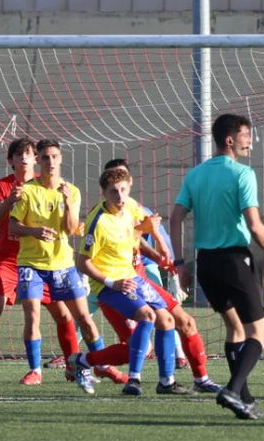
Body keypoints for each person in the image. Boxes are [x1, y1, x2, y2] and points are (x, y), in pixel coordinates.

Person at [169, 113, 264, 421]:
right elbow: (254, 225)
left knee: (235, 329)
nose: (250, 141)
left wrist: (180, 263)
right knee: (259, 335)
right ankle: (233, 390)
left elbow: (175, 217)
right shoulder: (242, 174)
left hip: (206, 264)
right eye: (247, 135)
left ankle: (244, 400)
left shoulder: (195, 174)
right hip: (234, 260)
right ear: (230, 140)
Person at [81, 158, 221, 394]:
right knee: (137, 342)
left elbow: (140, 232)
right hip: (113, 285)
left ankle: (195, 380)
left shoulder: (130, 206)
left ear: (130, 183)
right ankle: (87, 363)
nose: (119, 195)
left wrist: (160, 252)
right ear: (104, 191)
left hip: (135, 278)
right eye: (113, 190)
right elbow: (83, 260)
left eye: (123, 187)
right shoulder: (100, 221)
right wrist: (110, 282)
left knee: (181, 321)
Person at [0, 137, 81, 385]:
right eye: (19, 154)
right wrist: (10, 201)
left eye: (29, 153)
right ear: (10, 160)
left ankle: (74, 365)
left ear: (37, 159)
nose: (24, 158)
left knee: (63, 315)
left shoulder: (50, 187)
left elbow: (69, 225)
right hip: (9, 261)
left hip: (41, 261)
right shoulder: (2, 186)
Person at [8, 138, 106, 393]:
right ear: (39, 160)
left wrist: (68, 204)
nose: (50, 162)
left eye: (54, 156)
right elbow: (12, 227)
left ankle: (101, 364)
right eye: (45, 157)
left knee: (83, 317)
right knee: (32, 314)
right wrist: (34, 231)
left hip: (62, 265)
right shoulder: (27, 190)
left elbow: (71, 229)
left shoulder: (71, 191)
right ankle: (35, 370)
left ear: (60, 158)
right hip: (31, 264)